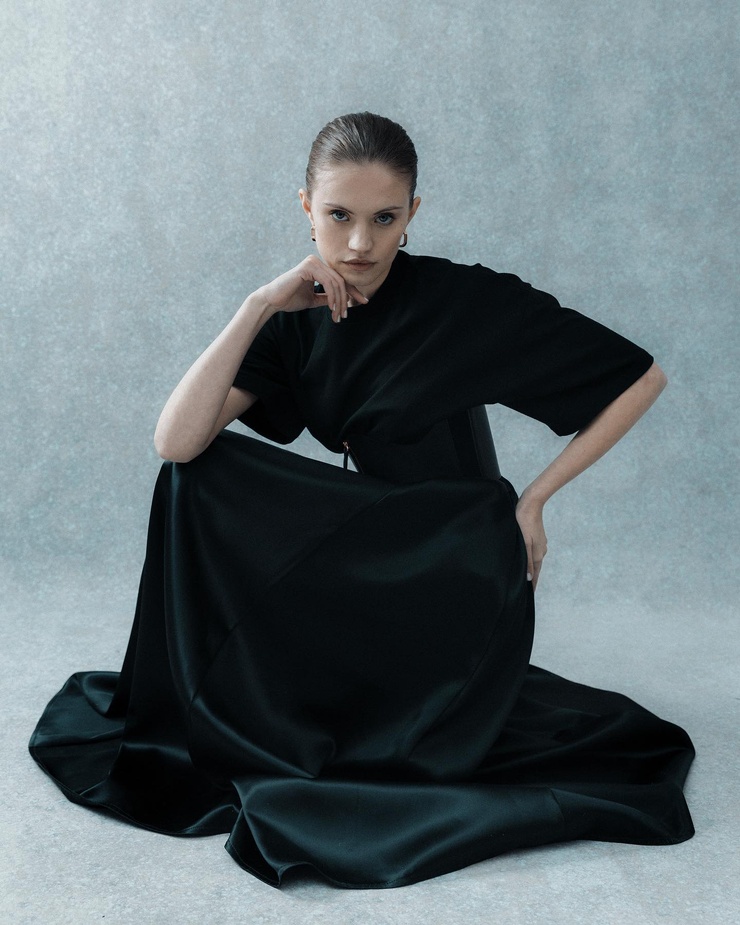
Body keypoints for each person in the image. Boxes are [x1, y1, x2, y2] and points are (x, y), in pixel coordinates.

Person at [29, 112, 694, 890]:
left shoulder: (463, 299)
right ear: (305, 207)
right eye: (339, 215)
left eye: (384, 218)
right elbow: (175, 442)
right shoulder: (298, 318)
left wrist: (535, 500)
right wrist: (258, 305)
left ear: (413, 213)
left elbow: (639, 377)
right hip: (372, 551)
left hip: (457, 563)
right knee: (194, 477)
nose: (359, 243)